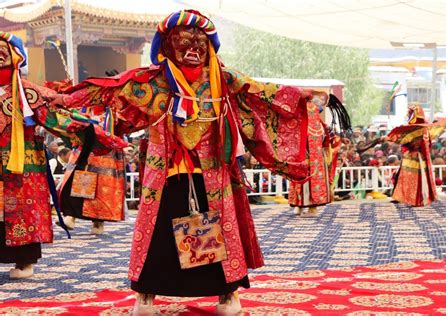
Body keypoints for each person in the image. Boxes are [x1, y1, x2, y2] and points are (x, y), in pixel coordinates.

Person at [49, 10, 344, 315]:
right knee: (157, 234)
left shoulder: (223, 79)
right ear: (166, 46)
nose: (192, 49)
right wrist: (64, 98)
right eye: (183, 41)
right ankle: (146, 295)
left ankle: (227, 295)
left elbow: (263, 91)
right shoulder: (154, 82)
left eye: (200, 42)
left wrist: (303, 95)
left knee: (220, 231)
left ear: (210, 47)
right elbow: (109, 87)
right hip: (165, 174)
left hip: (212, 173)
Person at [0, 32, 126, 279]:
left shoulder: (26, 92)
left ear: (16, 56)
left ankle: (25, 262)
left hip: (22, 163)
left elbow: (56, 119)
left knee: (22, 210)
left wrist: (93, 133)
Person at [288, 94, 350, 216]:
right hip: (303, 158)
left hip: (317, 159)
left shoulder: (322, 125)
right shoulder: (300, 124)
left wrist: (341, 140)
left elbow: (330, 137)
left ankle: (312, 208)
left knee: (313, 182)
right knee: (301, 181)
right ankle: (299, 205)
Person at [385, 103, 441, 206]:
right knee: (404, 178)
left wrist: (392, 137)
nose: (408, 114)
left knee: (412, 179)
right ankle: (401, 197)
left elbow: (405, 140)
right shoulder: (420, 129)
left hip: (416, 158)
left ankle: (415, 199)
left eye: (410, 112)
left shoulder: (419, 129)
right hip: (410, 156)